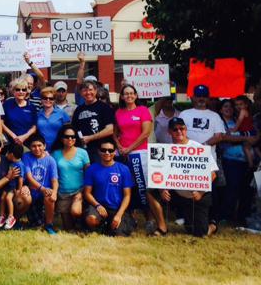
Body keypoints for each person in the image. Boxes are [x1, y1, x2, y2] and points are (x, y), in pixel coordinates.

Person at [114, 84, 165, 235]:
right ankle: (131, 218)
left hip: (140, 154)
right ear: (122, 97)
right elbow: (115, 132)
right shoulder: (118, 112)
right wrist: (119, 146)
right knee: (128, 187)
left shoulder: (143, 110)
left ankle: (150, 219)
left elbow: (145, 133)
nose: (129, 96)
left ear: (136, 95)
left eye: (132, 93)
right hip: (123, 155)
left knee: (144, 188)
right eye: (126, 94)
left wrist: (129, 149)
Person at [160, 117, 219, 237]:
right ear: (169, 132)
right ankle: (160, 227)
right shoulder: (166, 149)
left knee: (200, 233)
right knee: (151, 191)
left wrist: (201, 192)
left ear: (186, 129)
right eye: (175, 129)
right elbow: (160, 173)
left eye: (181, 128)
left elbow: (213, 174)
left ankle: (212, 225)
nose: (179, 132)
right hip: (179, 196)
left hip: (199, 196)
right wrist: (162, 189)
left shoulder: (198, 147)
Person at [82, 139, 133, 236]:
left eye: (110, 150)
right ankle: (101, 226)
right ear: (98, 151)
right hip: (99, 207)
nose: (107, 153)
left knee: (119, 235)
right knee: (91, 219)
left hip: (117, 208)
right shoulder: (92, 169)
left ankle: (113, 225)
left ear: (115, 152)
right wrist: (97, 205)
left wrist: (119, 215)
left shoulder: (124, 169)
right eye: (103, 150)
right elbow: (87, 193)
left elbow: (127, 195)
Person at [52, 125, 89, 231]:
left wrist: (83, 192)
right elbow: (53, 175)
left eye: (73, 137)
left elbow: (89, 174)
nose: (70, 139)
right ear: (61, 138)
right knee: (69, 229)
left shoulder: (83, 153)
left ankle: (82, 221)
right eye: (67, 136)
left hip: (79, 192)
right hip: (62, 194)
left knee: (76, 211)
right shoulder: (55, 154)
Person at [22, 135, 59, 234]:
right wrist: (42, 188)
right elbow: (29, 177)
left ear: (45, 146)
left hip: (44, 194)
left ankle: (49, 224)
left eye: (39, 145)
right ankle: (15, 220)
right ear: (30, 147)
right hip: (32, 192)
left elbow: (54, 180)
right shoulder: (26, 157)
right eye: (33, 146)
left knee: (49, 195)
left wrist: (54, 193)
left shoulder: (50, 160)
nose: (37, 148)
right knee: (36, 223)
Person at [73, 81, 115, 163]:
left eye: (90, 90)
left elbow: (110, 129)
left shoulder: (104, 107)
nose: (88, 93)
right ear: (81, 93)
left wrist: (90, 138)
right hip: (83, 150)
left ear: (96, 91)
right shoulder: (78, 110)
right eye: (85, 90)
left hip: (101, 150)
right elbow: (74, 129)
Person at [2, 77, 37, 147]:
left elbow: (34, 127)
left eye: (23, 90)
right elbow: (1, 123)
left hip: (28, 143)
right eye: (18, 89)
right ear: (13, 91)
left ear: (26, 91)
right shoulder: (7, 104)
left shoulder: (31, 106)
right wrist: (13, 136)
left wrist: (24, 136)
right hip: (11, 143)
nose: (21, 92)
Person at [0, 143, 25, 230]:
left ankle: (11, 217)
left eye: (7, 153)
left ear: (12, 154)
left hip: (13, 187)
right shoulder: (12, 162)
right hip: (7, 185)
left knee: (8, 198)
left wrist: (18, 190)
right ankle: (2, 216)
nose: (6, 155)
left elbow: (21, 178)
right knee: (2, 197)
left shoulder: (20, 165)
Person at [36, 86, 69, 151]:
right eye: (45, 98)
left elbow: (68, 131)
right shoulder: (37, 115)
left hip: (59, 149)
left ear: (54, 100)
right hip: (42, 150)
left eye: (51, 98)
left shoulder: (62, 113)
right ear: (41, 99)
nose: (48, 100)